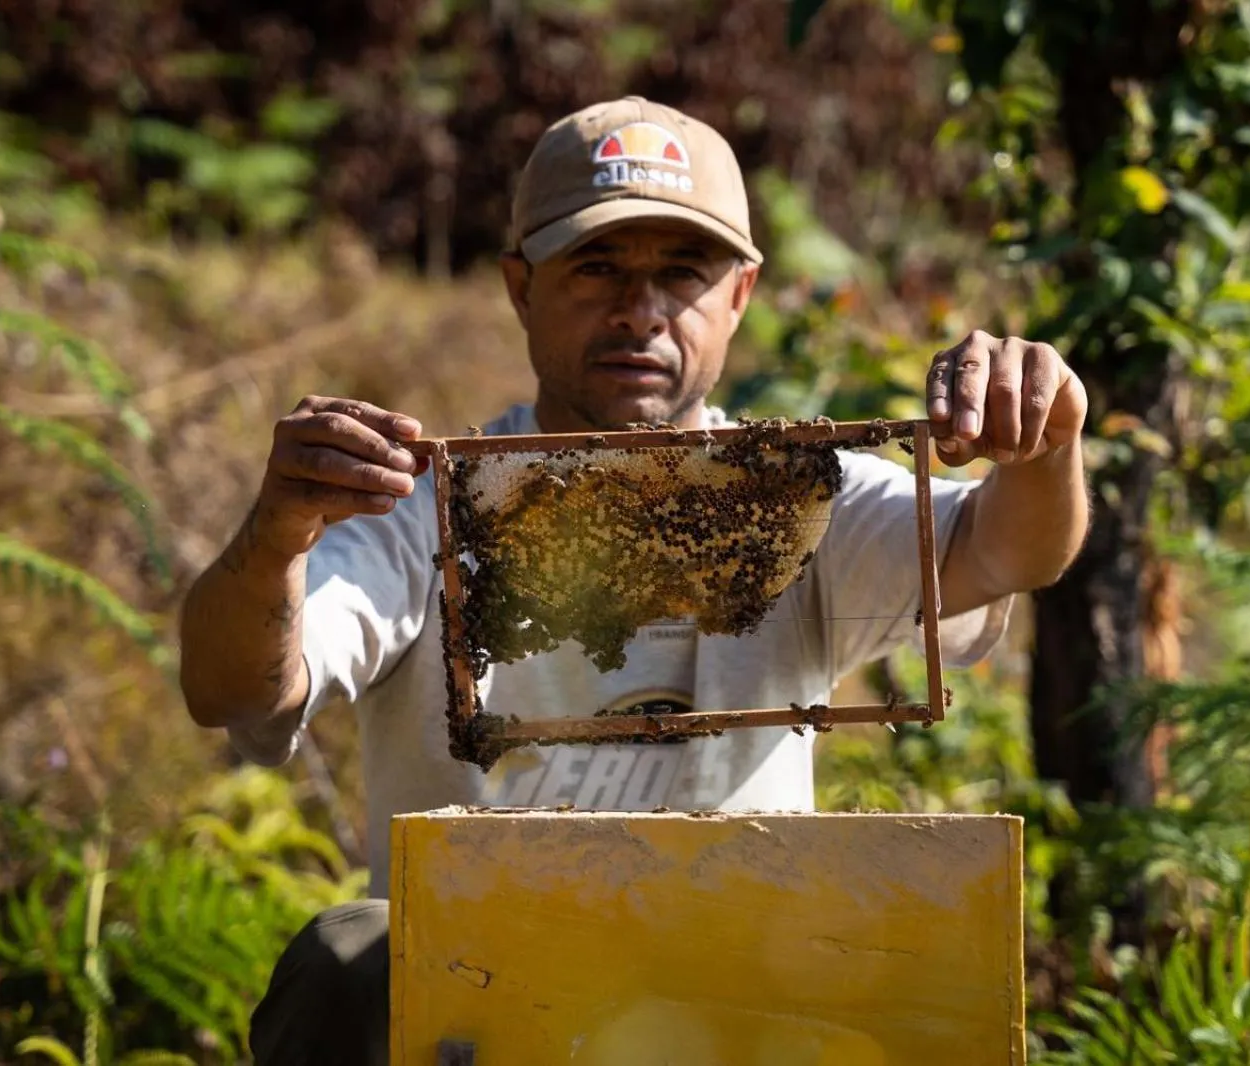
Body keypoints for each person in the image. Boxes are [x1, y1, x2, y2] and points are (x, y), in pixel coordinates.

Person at [178, 96, 1089, 1064]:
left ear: (737, 296)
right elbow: (232, 686)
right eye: (597, 266)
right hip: (485, 1004)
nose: (639, 310)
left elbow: (1009, 551)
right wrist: (276, 537)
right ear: (520, 287)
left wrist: (1045, 441)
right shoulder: (422, 512)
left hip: (748, 988)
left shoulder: (803, 495)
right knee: (346, 954)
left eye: (680, 273)